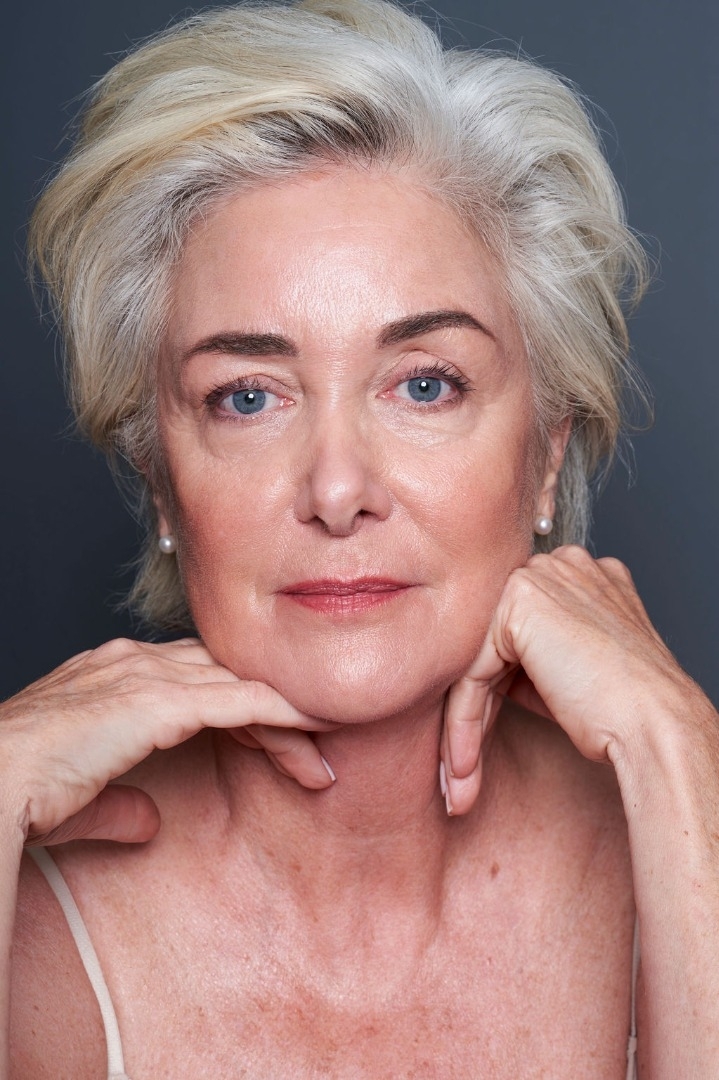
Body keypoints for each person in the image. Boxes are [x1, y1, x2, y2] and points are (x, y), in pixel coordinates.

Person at [3, 0, 718, 1075]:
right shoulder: (34, 918)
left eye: (423, 384)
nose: (337, 492)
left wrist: (675, 753)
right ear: (161, 481)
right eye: (247, 396)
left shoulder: (687, 836)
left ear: (544, 454)